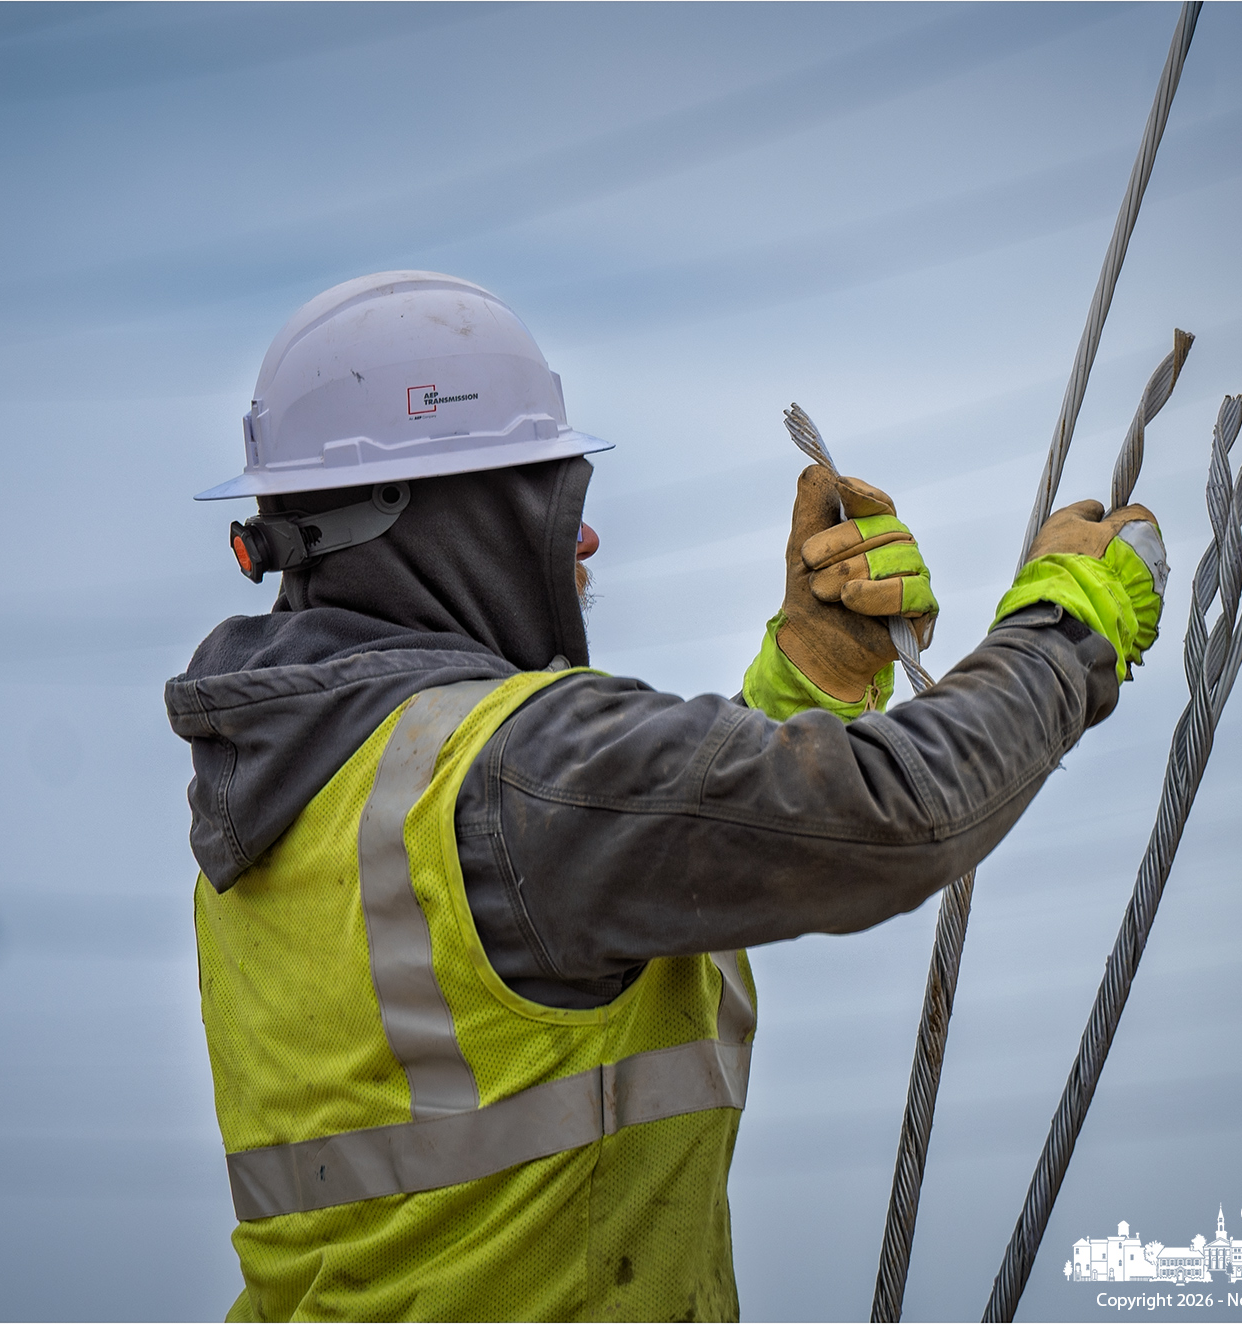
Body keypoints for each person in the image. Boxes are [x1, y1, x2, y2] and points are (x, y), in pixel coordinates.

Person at [166, 271, 1166, 1322]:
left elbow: (612, 870)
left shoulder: (287, 799)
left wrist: (810, 681)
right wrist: (1068, 627)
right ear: (455, 519)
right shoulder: (517, 771)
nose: (583, 543)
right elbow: (900, 814)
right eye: (552, 502)